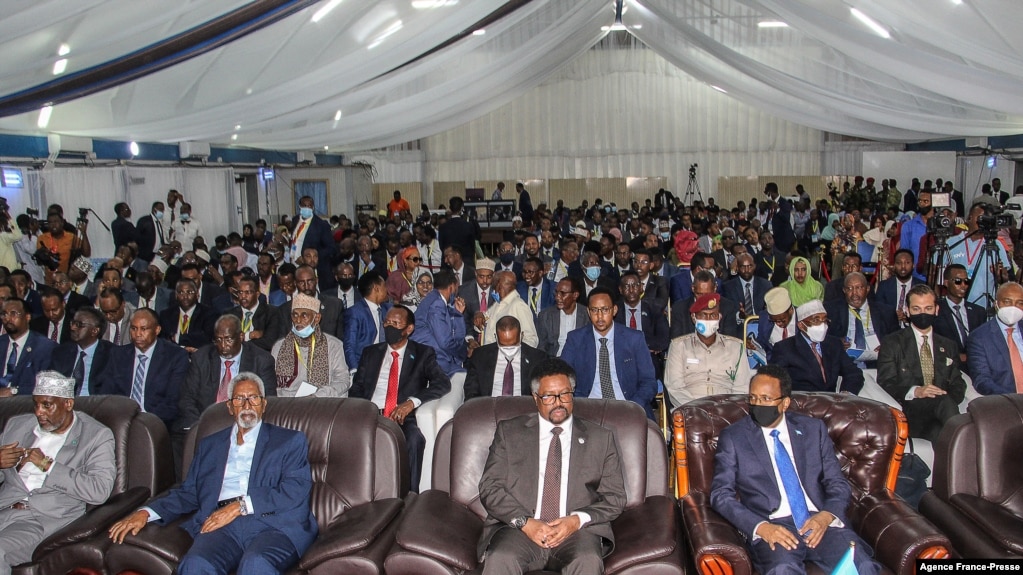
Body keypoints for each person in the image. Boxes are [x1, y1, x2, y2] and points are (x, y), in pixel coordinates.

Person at [108, 373, 318, 575]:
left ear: (264, 404)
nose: (246, 405)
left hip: (272, 524)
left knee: (256, 564)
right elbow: (188, 492)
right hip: (221, 525)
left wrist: (239, 506)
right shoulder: (210, 445)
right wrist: (145, 513)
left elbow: (295, 489)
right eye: (239, 399)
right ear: (229, 407)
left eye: (253, 398)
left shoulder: (289, 441)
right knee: (195, 565)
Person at [710, 365, 881, 575]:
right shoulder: (734, 437)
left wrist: (826, 516)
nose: (757, 405)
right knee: (783, 570)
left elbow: (837, 483)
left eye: (766, 399)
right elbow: (720, 495)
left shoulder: (812, 429)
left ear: (785, 403)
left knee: (862, 567)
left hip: (820, 521)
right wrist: (760, 527)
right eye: (753, 398)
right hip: (774, 526)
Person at [476, 357, 626, 574]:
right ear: (535, 397)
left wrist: (576, 520)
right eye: (548, 396)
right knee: (500, 558)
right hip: (520, 530)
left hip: (576, 533)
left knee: (588, 560)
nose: (558, 403)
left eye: (565, 394)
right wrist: (525, 523)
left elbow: (615, 497)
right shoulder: (510, 433)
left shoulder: (600, 438)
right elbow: (490, 487)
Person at [0, 371, 115, 573]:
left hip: (41, 519)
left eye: (47, 405)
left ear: (68, 404)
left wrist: (47, 465)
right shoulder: (18, 425)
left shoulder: (96, 435)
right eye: (36, 404)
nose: (38, 412)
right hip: (5, 507)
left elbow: (99, 490)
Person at [350, 305, 451, 492]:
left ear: (409, 329)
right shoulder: (370, 353)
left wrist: (411, 402)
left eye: (396, 323)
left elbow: (443, 383)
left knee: (414, 439)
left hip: (401, 415)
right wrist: (361, 409)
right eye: (387, 322)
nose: (390, 327)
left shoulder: (422, 353)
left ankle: (409, 497)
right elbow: (357, 387)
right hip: (371, 414)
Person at [877, 285, 965, 442]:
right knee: (943, 405)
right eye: (916, 309)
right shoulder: (892, 343)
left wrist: (943, 397)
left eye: (928, 308)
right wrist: (916, 391)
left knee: (941, 435)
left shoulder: (948, 345)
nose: (923, 313)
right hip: (910, 411)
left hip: (941, 414)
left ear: (937, 309)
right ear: (907, 310)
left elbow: (958, 383)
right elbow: (886, 383)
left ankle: (958, 464)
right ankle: (969, 447)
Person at [560, 288, 657, 418]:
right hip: (589, 409)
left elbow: (649, 382)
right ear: (588, 312)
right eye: (594, 310)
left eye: (605, 310)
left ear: (614, 310)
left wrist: (632, 406)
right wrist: (580, 405)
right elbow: (563, 378)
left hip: (627, 406)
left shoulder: (634, 338)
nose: (599, 316)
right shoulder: (575, 339)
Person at [176, 315, 278, 435]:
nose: (223, 346)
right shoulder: (201, 358)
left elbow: (268, 401)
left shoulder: (261, 360)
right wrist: (201, 427)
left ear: (241, 337)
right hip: (206, 425)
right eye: (218, 340)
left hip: (246, 426)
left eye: (228, 339)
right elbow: (187, 399)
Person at [95, 309, 190, 431]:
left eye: (143, 329)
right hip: (120, 419)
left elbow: (173, 402)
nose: (138, 334)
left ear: (157, 330)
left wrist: (139, 418)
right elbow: (106, 393)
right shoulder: (118, 354)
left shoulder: (175, 356)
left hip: (156, 421)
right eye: (133, 328)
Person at [664, 293, 750, 407]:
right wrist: (698, 409)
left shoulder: (736, 347)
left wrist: (727, 410)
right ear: (694, 318)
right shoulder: (679, 346)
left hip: (726, 410)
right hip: (690, 410)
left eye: (713, 315)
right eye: (704, 315)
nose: (708, 320)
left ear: (719, 318)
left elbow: (742, 388)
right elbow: (675, 388)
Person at [771, 300, 864, 394]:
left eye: (824, 320)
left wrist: (846, 394)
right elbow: (774, 381)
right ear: (801, 325)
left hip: (831, 402)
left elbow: (853, 373)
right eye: (816, 320)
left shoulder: (834, 344)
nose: (822, 325)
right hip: (802, 404)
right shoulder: (785, 348)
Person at [272, 294, 350, 398]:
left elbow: (343, 381)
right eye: (295, 315)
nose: (298, 320)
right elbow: (272, 383)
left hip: (322, 402)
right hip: (288, 405)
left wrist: (318, 396)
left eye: (304, 315)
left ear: (316, 318)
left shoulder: (333, 345)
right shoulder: (279, 346)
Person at [464, 315, 548, 400]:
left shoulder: (538, 359)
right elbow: (471, 394)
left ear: (521, 336)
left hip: (524, 408)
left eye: (513, 344)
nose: (509, 349)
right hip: (489, 408)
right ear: (496, 337)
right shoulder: (480, 357)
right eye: (503, 345)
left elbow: (542, 394)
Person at [824, 272, 897, 369]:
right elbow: (822, 338)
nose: (854, 293)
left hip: (878, 365)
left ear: (867, 289)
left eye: (859, 288)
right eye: (849, 288)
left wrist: (886, 346)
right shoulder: (831, 310)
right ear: (844, 290)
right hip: (844, 364)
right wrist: (837, 343)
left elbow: (897, 339)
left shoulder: (886, 312)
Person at [968, 282, 1023, 395]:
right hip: (1005, 402)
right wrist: (1011, 399)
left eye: (1019, 303)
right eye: (1007, 302)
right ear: (996, 304)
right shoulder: (979, 338)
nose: (1013, 307)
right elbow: (982, 380)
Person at [411, 270, 467, 380]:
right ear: (451, 286)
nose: (457, 292)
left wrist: (458, 313)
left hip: (431, 355)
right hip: (432, 359)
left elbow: (455, 335)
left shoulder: (434, 299)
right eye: (457, 288)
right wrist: (463, 352)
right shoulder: (437, 303)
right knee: (465, 377)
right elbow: (445, 342)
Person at [616, 271, 670, 378]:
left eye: (635, 285)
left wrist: (638, 347)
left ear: (641, 288)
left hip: (648, 359)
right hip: (620, 360)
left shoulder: (654, 309)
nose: (631, 290)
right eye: (627, 286)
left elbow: (663, 340)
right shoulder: (614, 311)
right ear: (620, 290)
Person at [933, 264, 985, 370]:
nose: (963, 285)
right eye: (958, 281)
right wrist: (956, 355)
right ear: (946, 283)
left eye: (966, 281)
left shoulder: (979, 311)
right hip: (947, 367)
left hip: (976, 366)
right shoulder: (935, 310)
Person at [0, 298, 56, 397]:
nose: (8, 318)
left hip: (24, 404)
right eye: (4, 314)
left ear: (28, 317)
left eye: (13, 313)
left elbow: (47, 385)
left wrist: (14, 391)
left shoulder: (45, 347)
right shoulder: (2, 343)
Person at [50, 307, 112, 396]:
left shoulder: (111, 354)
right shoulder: (61, 352)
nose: (73, 328)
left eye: (79, 324)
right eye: (73, 323)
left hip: (95, 404)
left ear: (94, 331)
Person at [277, 265, 344, 340]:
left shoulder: (334, 305)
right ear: (295, 283)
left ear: (316, 280)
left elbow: (341, 339)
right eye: (301, 282)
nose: (306, 286)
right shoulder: (285, 310)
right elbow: (282, 341)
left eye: (310, 281)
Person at [671, 270, 741, 340]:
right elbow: (677, 341)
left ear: (715, 289)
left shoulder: (727, 307)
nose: (703, 299)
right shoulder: (679, 309)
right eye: (699, 294)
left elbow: (730, 339)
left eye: (707, 295)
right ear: (693, 288)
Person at [343, 270, 391, 370]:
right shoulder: (355, 312)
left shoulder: (388, 309)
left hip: (386, 364)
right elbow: (349, 345)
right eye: (384, 286)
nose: (387, 290)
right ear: (376, 288)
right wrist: (354, 370)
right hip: (364, 366)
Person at [481, 271, 538, 348]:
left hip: (508, 357)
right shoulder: (497, 304)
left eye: (496, 283)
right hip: (491, 355)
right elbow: (481, 323)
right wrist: (479, 316)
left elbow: (531, 339)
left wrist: (515, 356)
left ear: (503, 285)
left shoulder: (518, 305)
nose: (494, 287)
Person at [226, 276, 281, 352]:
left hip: (260, 358)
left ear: (257, 294)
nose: (243, 296)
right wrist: (249, 335)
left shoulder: (271, 312)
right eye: (240, 292)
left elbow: (269, 342)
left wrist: (240, 341)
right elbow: (225, 341)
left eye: (247, 292)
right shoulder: (229, 315)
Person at [537, 277, 590, 357]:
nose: (557, 297)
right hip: (554, 360)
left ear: (575, 295)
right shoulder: (545, 316)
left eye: (562, 293)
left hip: (579, 360)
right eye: (556, 292)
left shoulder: (587, 314)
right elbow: (542, 346)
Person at [159, 278, 216, 352]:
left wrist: (177, 338)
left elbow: (206, 338)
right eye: (181, 292)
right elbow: (164, 341)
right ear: (176, 295)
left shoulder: (209, 314)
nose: (185, 296)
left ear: (197, 294)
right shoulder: (166, 315)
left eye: (189, 292)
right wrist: (182, 349)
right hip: (172, 357)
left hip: (198, 357)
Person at [874, 249, 923, 325]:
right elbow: (877, 311)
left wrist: (908, 318)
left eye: (907, 263)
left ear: (913, 265)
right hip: (890, 329)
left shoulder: (921, 286)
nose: (903, 267)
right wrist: (892, 315)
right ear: (894, 266)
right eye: (899, 263)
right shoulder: (884, 286)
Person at [721, 253, 772, 320]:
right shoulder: (728, 287)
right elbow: (727, 313)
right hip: (739, 325)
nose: (747, 270)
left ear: (754, 266)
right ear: (737, 268)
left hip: (761, 324)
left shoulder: (766, 285)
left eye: (750, 266)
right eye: (743, 266)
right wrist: (739, 316)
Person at [752, 287, 797, 361]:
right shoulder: (764, 318)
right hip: (774, 364)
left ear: (791, 310)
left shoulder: (803, 319)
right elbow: (762, 343)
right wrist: (754, 345)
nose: (779, 324)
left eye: (782, 320)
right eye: (774, 321)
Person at [438, 197, 480, 265]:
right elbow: (472, 246)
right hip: (466, 262)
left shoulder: (443, 227)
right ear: (461, 208)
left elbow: (441, 246)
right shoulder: (469, 226)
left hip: (448, 263)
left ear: (450, 208)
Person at [516, 257, 555, 321]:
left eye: (530, 272)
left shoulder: (552, 288)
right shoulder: (518, 287)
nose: (526, 276)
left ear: (540, 273)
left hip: (545, 324)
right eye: (524, 272)